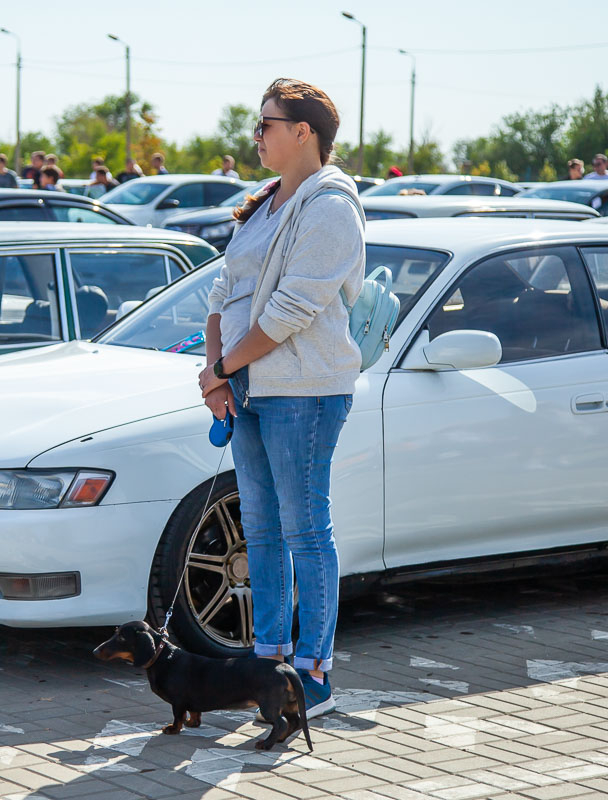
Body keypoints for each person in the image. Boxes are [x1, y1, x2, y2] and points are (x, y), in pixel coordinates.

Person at [197, 78, 363, 721]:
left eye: (266, 124)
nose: (256, 135)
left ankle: (313, 675)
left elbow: (292, 310)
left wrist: (222, 368)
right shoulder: (266, 203)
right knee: (260, 530)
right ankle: (269, 665)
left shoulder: (330, 205)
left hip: (304, 390)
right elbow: (222, 294)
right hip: (249, 386)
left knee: (304, 530)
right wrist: (218, 374)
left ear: (304, 133)